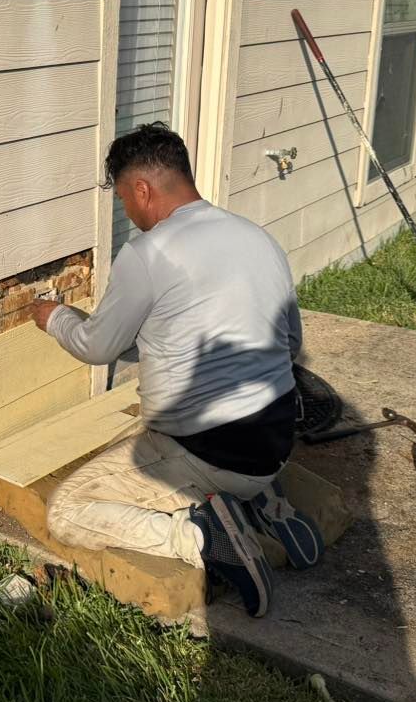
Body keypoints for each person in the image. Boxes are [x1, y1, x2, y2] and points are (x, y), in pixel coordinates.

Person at [29, 123, 322, 618]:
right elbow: (289, 343)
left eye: (124, 199)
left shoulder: (148, 253)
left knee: (67, 511)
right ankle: (259, 502)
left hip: (206, 451)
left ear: (142, 189)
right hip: (274, 443)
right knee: (219, 450)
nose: (127, 212)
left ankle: (203, 536)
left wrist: (54, 318)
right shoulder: (257, 238)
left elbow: (98, 347)